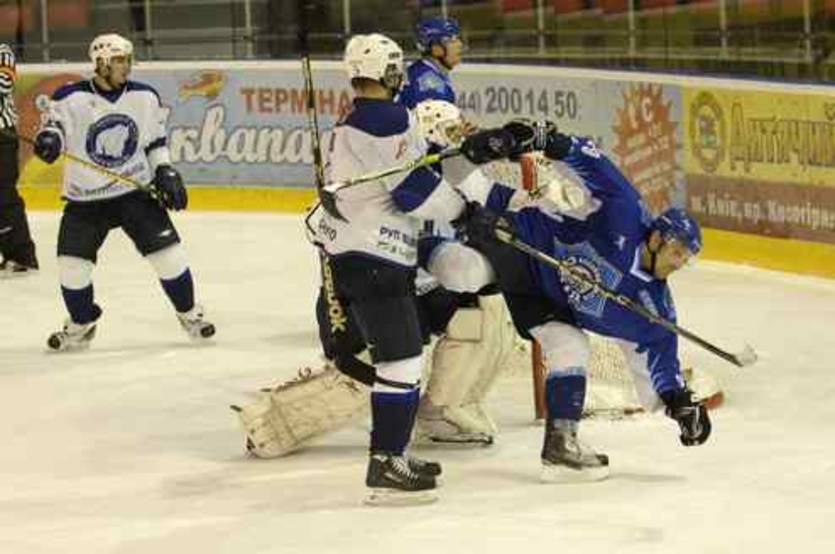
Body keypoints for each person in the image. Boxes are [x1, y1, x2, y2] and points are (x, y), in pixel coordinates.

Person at [453, 128, 712, 481]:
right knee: (463, 271)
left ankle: (561, 444)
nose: (679, 262)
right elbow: (591, 161)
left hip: (543, 300)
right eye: (677, 251)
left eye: (686, 257)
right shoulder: (625, 212)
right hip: (524, 242)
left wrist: (680, 403)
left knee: (571, 345)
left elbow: (661, 370)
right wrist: (545, 139)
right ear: (656, 238)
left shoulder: (655, 312)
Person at [32, 33, 215, 351]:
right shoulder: (70, 97)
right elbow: (55, 129)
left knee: (169, 256)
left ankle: (190, 315)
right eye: (119, 60)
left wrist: (164, 169)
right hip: (85, 200)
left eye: (128, 60)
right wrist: (49, 141)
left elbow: (154, 141)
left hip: (133, 193)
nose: (126, 66)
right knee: (72, 268)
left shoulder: (145, 96)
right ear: (101, 63)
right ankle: (81, 324)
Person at [0, 42, 38, 277]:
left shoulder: (2, 51)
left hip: (2, 135)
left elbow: (4, 82)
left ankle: (21, 256)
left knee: (4, 196)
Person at [398, 16, 463, 110]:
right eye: (452, 40)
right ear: (436, 48)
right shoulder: (432, 88)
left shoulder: (422, 72)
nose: (460, 44)